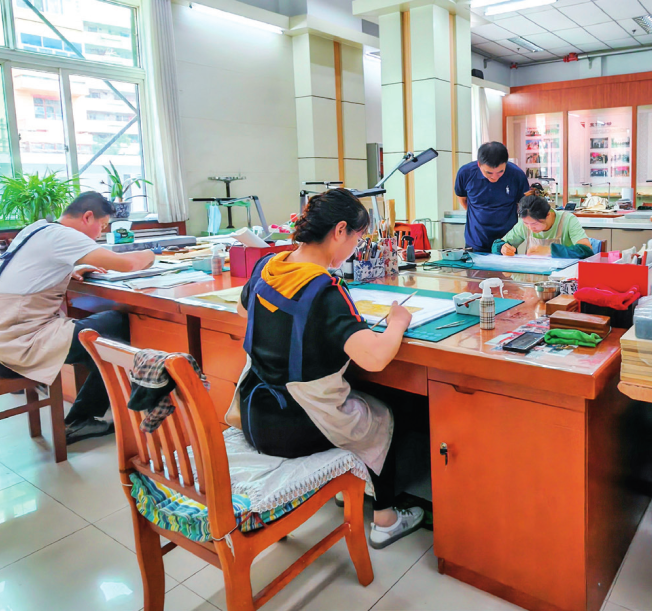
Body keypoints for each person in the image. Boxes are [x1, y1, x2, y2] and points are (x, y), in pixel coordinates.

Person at [226, 188, 424, 550]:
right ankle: (385, 518)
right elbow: (375, 359)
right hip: (296, 425)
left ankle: (348, 488)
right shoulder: (325, 290)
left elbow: (243, 311)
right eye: (357, 239)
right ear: (340, 230)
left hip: (253, 414)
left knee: (360, 398)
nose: (355, 248)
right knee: (384, 413)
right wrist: (397, 322)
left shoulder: (269, 265)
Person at [0, 192, 155, 444]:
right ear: (87, 217)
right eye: (102, 226)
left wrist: (69, 268)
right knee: (119, 325)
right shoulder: (65, 235)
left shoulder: (39, 228)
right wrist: (152, 253)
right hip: (14, 349)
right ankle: (85, 417)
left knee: (101, 335)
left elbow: (32, 268)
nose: (100, 234)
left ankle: (89, 414)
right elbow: (129, 265)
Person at [454, 141, 530, 253]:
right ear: (479, 164)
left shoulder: (517, 175)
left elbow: (523, 204)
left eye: (500, 172)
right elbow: (463, 199)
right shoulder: (465, 173)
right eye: (489, 173)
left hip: (506, 242)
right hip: (476, 240)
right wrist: (479, 215)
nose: (495, 177)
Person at [492, 194, 593, 259]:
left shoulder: (567, 220)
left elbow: (586, 251)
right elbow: (497, 245)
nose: (530, 228)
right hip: (533, 277)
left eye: (535, 224)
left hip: (563, 277)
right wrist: (502, 248)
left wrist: (550, 250)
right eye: (526, 224)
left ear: (548, 215)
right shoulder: (524, 224)